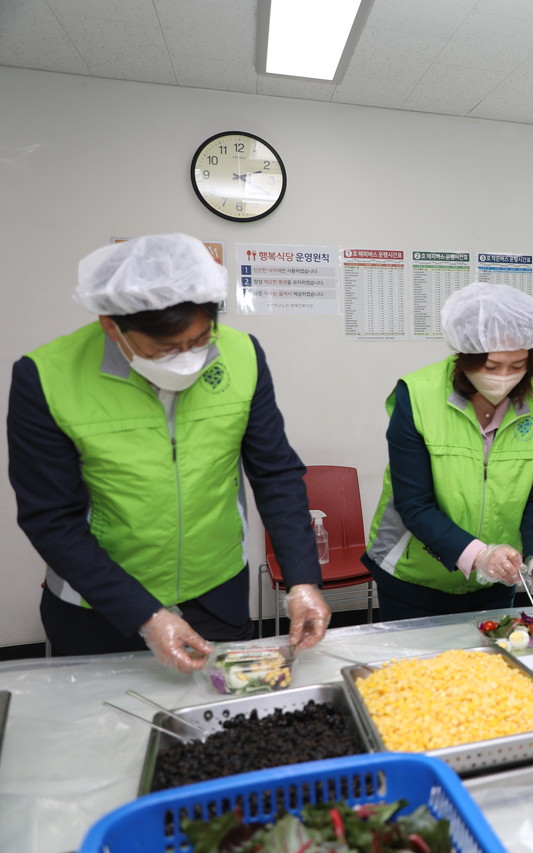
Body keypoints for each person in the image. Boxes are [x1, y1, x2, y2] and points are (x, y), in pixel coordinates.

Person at [7, 234, 329, 671]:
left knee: (223, 722)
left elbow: (275, 474)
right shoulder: (46, 377)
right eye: (160, 349)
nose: (186, 359)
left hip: (217, 593)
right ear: (110, 324)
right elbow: (51, 517)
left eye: (199, 340)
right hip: (99, 604)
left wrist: (302, 580)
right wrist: (144, 614)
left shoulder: (243, 355)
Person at [362, 282, 533, 622]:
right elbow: (414, 504)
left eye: (517, 366)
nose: (505, 378)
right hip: (414, 576)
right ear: (465, 357)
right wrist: (478, 554)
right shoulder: (418, 396)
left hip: (498, 576)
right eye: (491, 366)